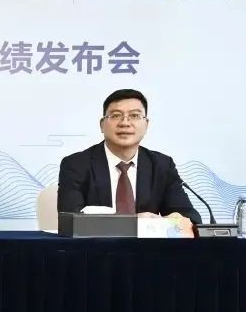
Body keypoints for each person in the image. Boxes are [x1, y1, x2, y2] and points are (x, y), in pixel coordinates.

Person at [57, 88, 201, 225]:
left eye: (134, 116)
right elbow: (70, 220)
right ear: (102, 125)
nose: (125, 123)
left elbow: (190, 217)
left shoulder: (162, 165)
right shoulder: (76, 165)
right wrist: (134, 223)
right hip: (97, 243)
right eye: (116, 116)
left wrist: (171, 221)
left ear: (146, 124)